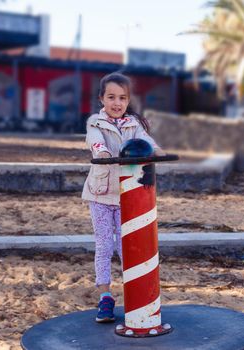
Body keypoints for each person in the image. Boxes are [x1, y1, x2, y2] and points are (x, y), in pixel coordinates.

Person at [81, 72, 166, 323]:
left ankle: (134, 293)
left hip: (128, 196)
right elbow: (95, 144)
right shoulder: (95, 123)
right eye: (111, 97)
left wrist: (157, 151)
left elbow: (146, 141)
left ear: (128, 101)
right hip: (101, 194)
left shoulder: (133, 124)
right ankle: (105, 296)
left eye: (122, 98)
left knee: (127, 247)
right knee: (105, 244)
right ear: (101, 99)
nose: (116, 103)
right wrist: (103, 152)